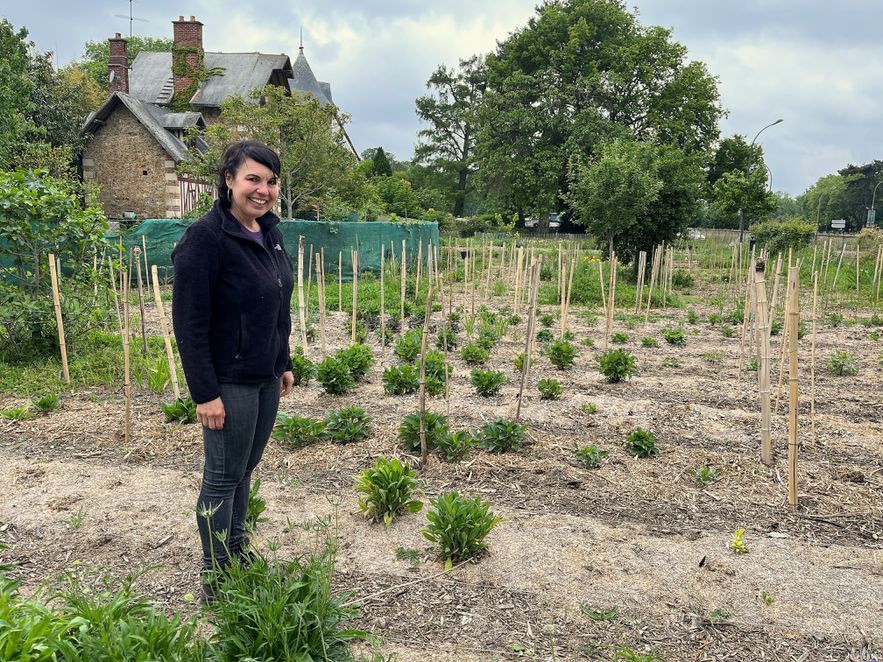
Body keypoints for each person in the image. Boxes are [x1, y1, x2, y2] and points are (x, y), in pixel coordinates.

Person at [172, 140, 294, 595]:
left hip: (265, 378)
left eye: (271, 181)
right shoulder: (205, 239)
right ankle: (216, 577)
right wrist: (205, 392)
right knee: (221, 479)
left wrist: (282, 361)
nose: (263, 190)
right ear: (228, 180)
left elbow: (278, 303)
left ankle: (237, 551)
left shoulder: (270, 232)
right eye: (253, 179)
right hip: (230, 381)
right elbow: (189, 322)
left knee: (244, 472)